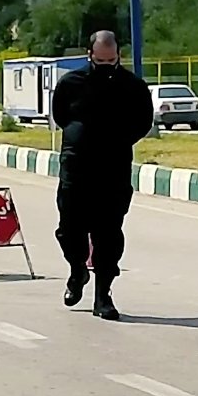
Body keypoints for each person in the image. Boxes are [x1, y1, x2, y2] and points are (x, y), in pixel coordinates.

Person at [50, 30, 154, 320]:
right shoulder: (70, 84)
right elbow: (61, 116)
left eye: (111, 61)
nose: (107, 66)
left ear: (118, 56)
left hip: (113, 170)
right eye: (100, 61)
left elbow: (143, 122)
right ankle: (77, 270)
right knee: (69, 229)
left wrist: (117, 141)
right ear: (90, 56)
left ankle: (103, 296)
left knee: (108, 234)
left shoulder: (133, 87)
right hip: (76, 167)